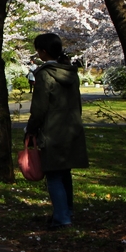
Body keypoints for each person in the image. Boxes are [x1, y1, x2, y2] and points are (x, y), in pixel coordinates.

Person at [25, 32, 88, 229]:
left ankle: (61, 217)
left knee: (53, 174)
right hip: (71, 128)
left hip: (52, 131)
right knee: (65, 173)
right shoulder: (71, 72)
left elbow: (40, 108)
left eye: (38, 51)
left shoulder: (45, 75)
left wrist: (31, 129)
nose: (38, 55)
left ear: (44, 51)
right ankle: (67, 211)